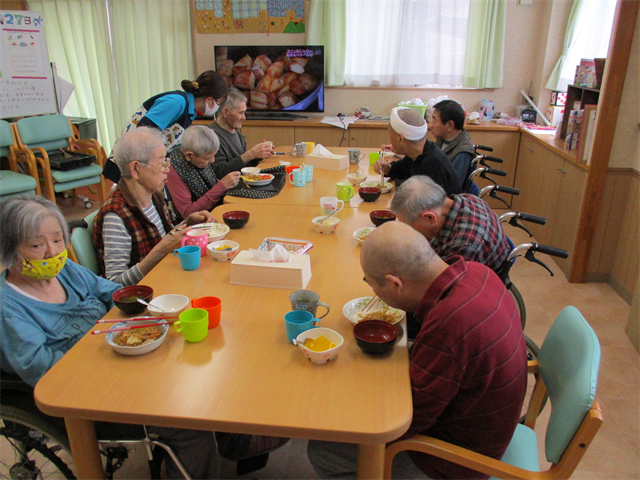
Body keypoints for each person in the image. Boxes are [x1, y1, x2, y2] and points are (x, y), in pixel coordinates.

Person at [0, 195, 218, 480]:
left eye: (57, 239)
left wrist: (153, 308)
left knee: (197, 370)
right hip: (86, 392)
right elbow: (41, 368)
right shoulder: (8, 308)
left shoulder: (66, 270)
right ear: (9, 250)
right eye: (36, 245)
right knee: (189, 419)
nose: (52, 252)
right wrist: (104, 346)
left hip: (118, 361)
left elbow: (110, 293)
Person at [308, 222, 527, 480]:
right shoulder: (477, 271)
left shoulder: (450, 325)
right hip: (485, 421)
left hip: (457, 459)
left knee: (322, 450)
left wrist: (342, 405)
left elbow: (405, 423)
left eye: (372, 285)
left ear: (395, 284)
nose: (374, 293)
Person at [93, 128, 215, 286]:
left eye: (167, 161)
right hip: (146, 293)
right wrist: (161, 250)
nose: (167, 169)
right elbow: (115, 284)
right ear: (135, 169)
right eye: (161, 163)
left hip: (165, 275)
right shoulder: (115, 216)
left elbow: (164, 237)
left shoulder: (154, 195)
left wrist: (188, 222)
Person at [103, 70, 229, 183]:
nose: (218, 107)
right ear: (209, 99)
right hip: (131, 162)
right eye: (218, 103)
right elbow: (144, 131)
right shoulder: (177, 102)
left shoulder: (189, 110)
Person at [390, 175, 511, 274]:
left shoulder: (464, 244)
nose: (409, 231)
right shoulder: (466, 198)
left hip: (475, 285)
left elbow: (443, 287)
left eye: (410, 226)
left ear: (429, 217)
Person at [375, 107, 462, 196]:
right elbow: (403, 168)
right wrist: (388, 169)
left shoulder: (432, 164)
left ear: (400, 138)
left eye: (390, 135)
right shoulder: (418, 152)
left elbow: (427, 205)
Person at [166, 125, 241, 221]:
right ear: (189, 156)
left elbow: (210, 184)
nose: (213, 160)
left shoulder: (197, 156)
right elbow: (188, 214)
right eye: (207, 158)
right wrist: (222, 186)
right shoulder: (173, 170)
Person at [208, 88, 275, 178]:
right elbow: (219, 172)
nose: (244, 117)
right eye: (241, 113)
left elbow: (244, 166)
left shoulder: (235, 132)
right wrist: (250, 154)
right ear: (225, 112)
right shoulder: (210, 136)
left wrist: (259, 154)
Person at [430, 99, 476, 189]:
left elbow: (452, 188)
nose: (431, 125)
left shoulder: (462, 153)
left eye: (435, 120)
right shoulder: (442, 138)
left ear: (450, 125)